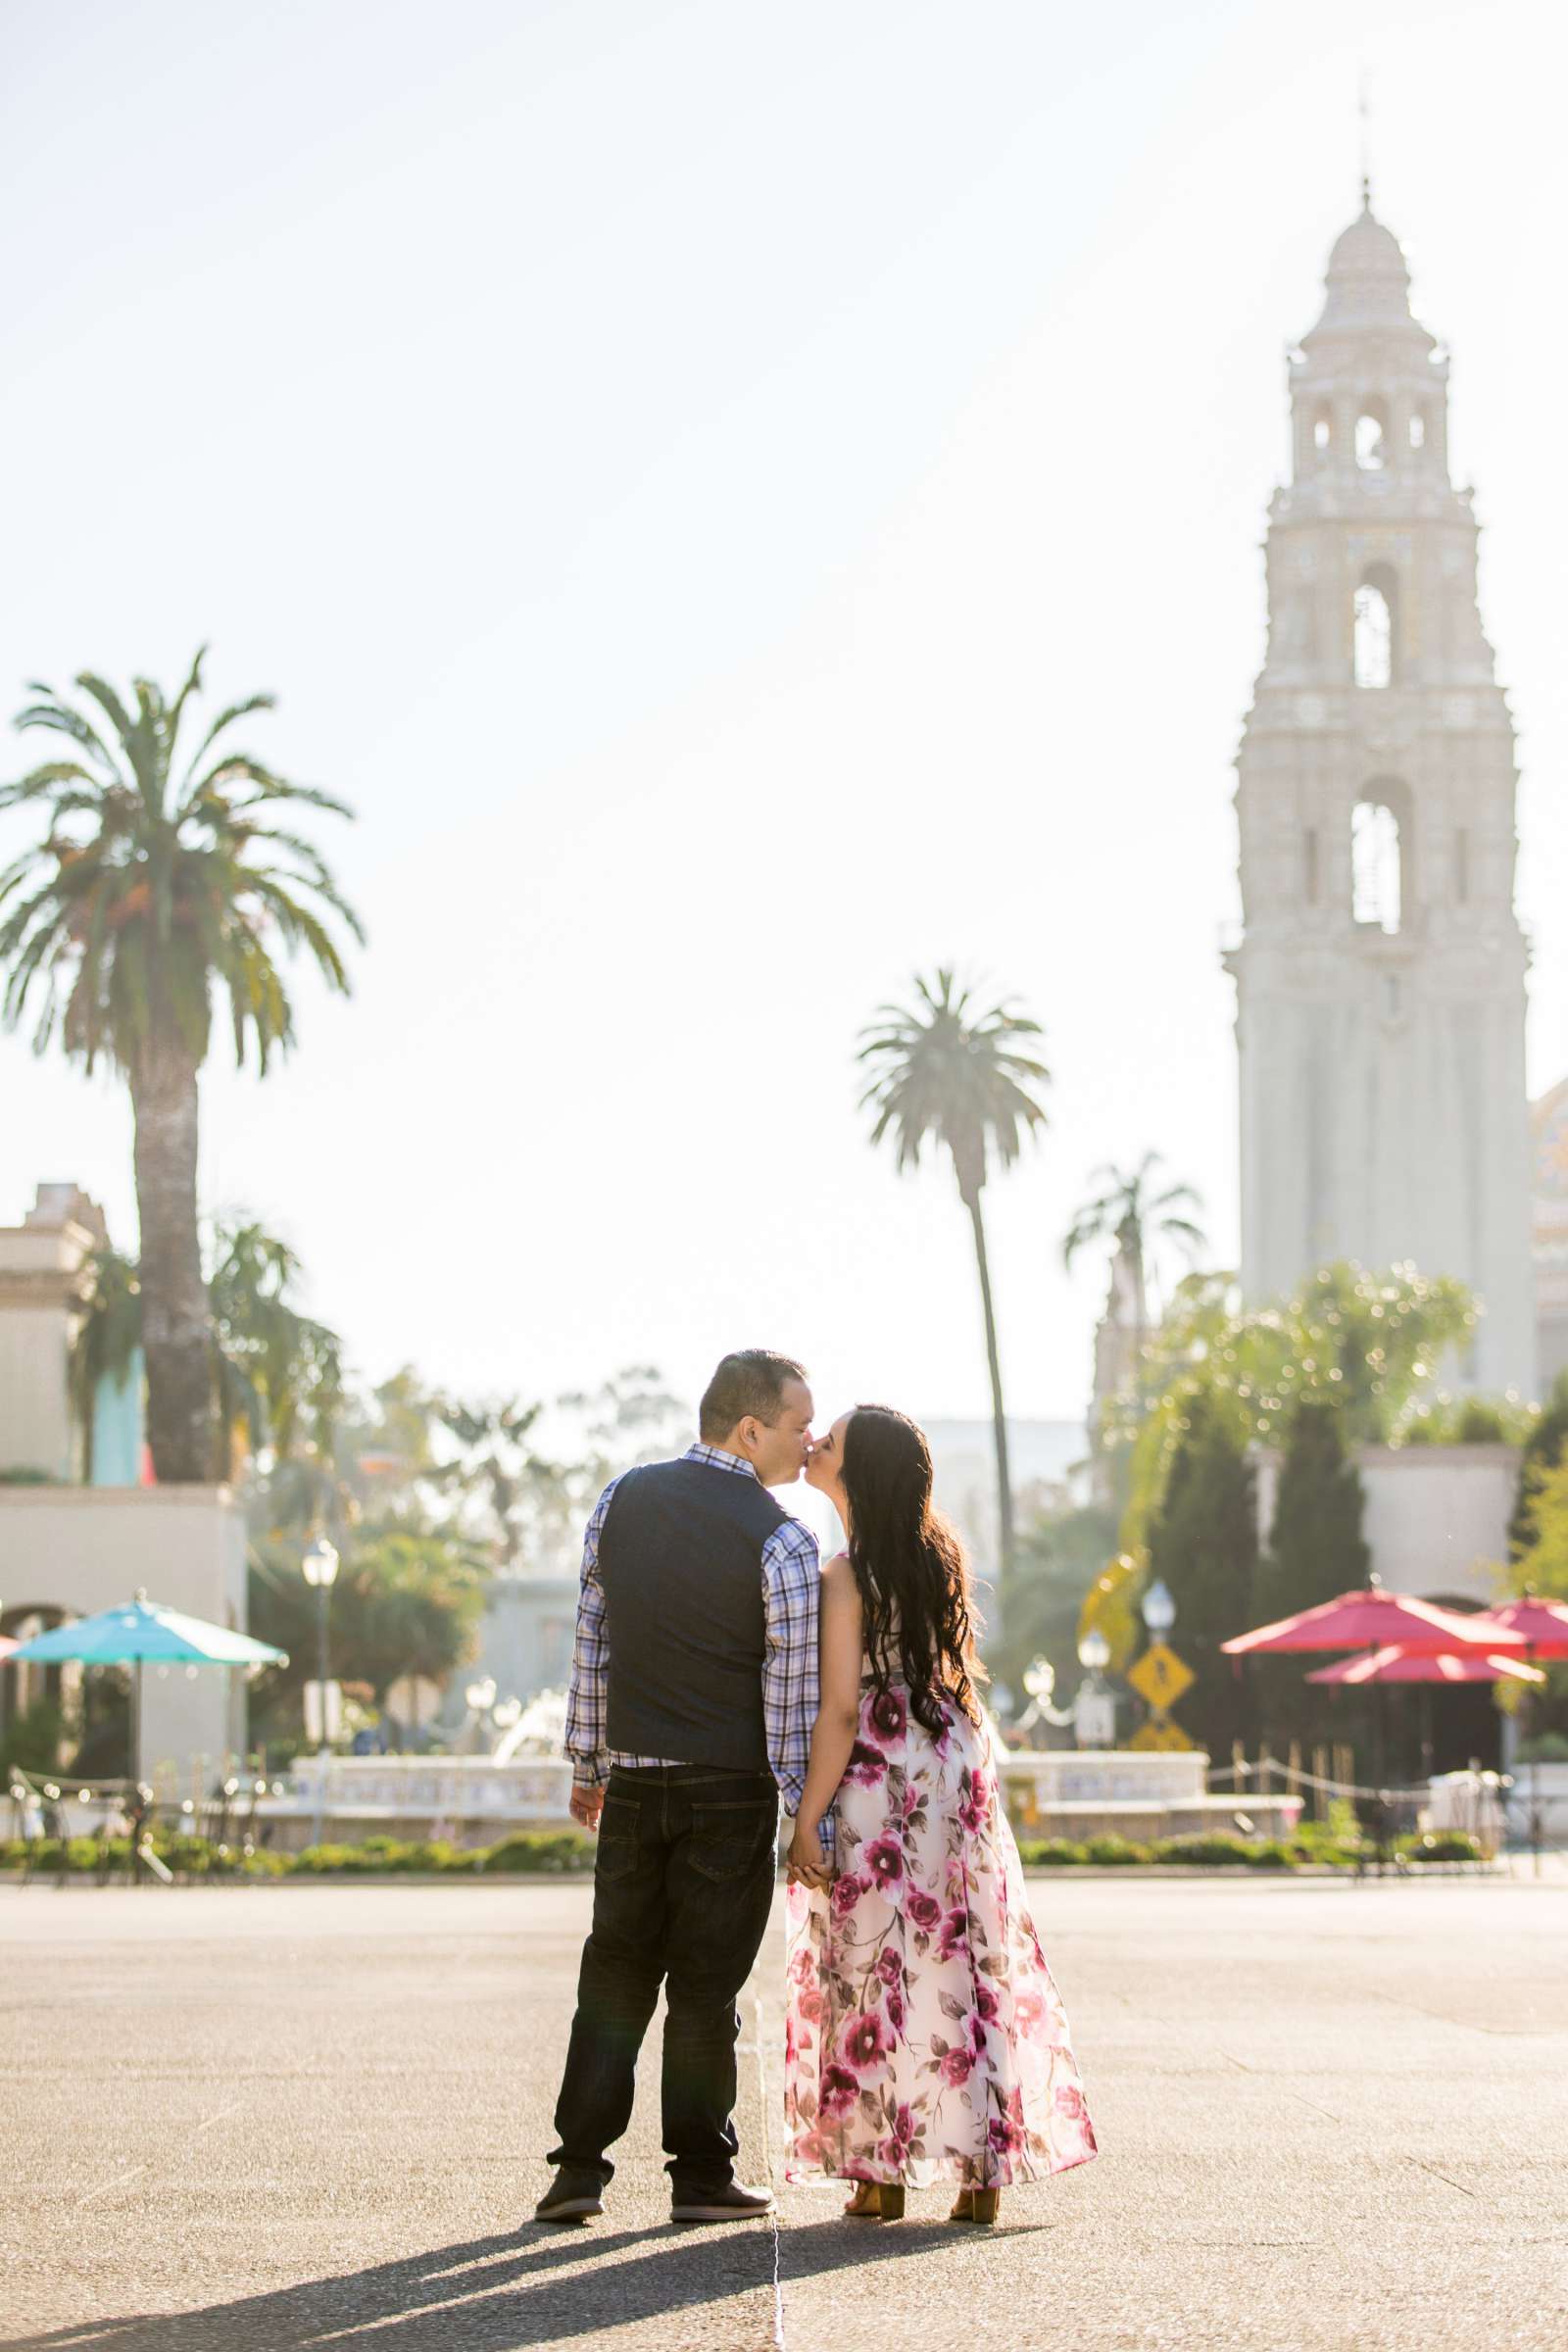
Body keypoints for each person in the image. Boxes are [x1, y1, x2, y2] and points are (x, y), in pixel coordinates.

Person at [783, 1404, 1098, 2225]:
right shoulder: (939, 1559)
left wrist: (806, 1818)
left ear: (858, 1475)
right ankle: (981, 2176)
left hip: (882, 1779)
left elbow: (842, 1713)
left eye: (833, 1442)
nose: (816, 1444)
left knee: (872, 1968)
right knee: (965, 1956)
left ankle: (878, 2175)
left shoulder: (845, 1576)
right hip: (953, 1769)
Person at [536, 1348, 824, 2227]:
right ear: (750, 1429)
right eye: (798, 1425)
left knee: (614, 1976)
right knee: (705, 1989)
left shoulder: (622, 1500)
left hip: (634, 1786)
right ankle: (701, 2177)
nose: (809, 1443)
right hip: (727, 1793)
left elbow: (594, 1643)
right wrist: (799, 1813)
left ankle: (577, 2173)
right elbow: (789, 1694)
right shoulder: (782, 1538)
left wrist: (588, 1767)